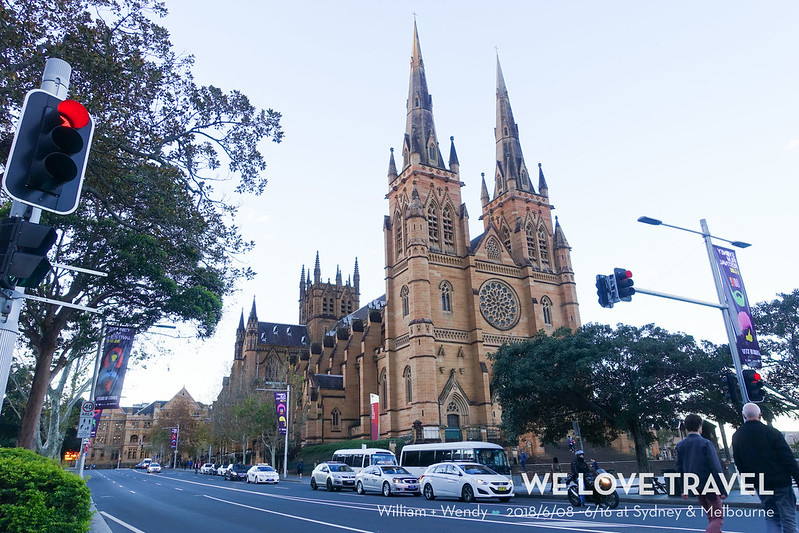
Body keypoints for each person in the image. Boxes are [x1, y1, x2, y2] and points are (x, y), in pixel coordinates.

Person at [733, 402, 799, 533]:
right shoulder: (772, 432)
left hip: (761, 484)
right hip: (781, 482)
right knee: (788, 519)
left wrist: (748, 484)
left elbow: (739, 463)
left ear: (743, 416)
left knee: (772, 517)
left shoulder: (738, 436)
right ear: (760, 414)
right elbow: (787, 458)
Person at [676, 413, 726, 533]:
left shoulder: (681, 445)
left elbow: (679, 468)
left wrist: (684, 489)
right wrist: (722, 489)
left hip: (694, 485)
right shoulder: (706, 443)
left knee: (711, 516)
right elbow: (715, 467)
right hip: (710, 485)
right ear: (700, 426)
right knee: (717, 517)